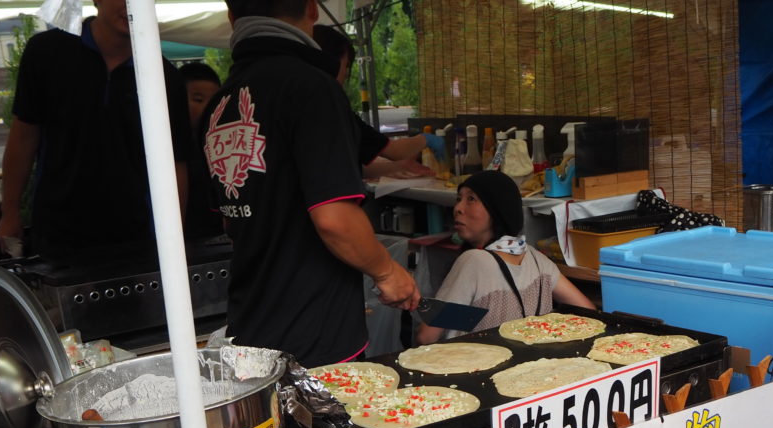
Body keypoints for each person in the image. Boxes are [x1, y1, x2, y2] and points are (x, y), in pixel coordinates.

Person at [202, 0, 419, 368]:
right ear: (312, 10)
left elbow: (231, 220)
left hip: (251, 326)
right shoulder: (312, 88)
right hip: (316, 336)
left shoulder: (218, 105)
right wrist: (387, 271)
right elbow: (333, 218)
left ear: (231, 15)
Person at [0, 0, 191, 262]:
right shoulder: (47, 52)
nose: (129, 5)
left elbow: (175, 162)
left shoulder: (165, 76)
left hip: (135, 235)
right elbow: (24, 136)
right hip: (58, 230)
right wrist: (10, 213)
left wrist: (173, 237)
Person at [416, 170, 596, 344]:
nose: (458, 208)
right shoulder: (538, 260)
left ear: (498, 210)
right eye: (459, 199)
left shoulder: (473, 261)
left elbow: (427, 336)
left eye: (471, 199)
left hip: (478, 370)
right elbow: (588, 311)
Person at [311, 24, 442, 178]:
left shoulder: (300, 102)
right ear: (330, 61)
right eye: (345, 66)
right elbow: (394, 150)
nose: (346, 74)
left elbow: (351, 168)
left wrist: (398, 166)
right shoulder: (332, 109)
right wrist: (426, 140)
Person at [178, 62, 224, 239]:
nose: (207, 107)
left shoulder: (219, 146)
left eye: (214, 101)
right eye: (198, 99)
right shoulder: (166, 149)